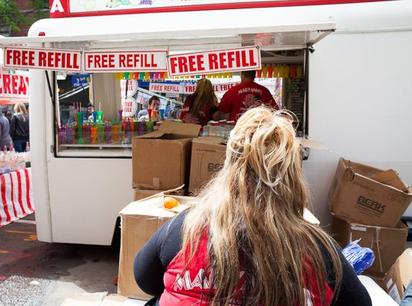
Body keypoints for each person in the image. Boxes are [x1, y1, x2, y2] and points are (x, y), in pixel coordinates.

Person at [134, 107, 372, 306]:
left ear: (228, 168)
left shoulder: (186, 229)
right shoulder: (320, 251)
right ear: (293, 177)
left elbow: (144, 279)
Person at [215, 70, 279, 122]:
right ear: (254, 76)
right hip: (258, 129)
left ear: (242, 75)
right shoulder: (264, 91)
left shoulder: (232, 91)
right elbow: (275, 110)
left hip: (238, 129)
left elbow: (222, 109)